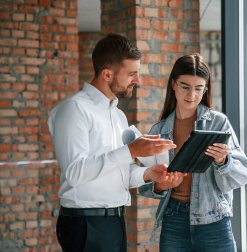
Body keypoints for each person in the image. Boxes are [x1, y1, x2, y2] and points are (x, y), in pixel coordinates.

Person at [48, 33, 181, 252]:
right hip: (86, 225)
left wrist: (150, 175)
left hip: (115, 222)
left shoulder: (118, 116)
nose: (137, 80)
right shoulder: (74, 110)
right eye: (132, 74)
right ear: (107, 74)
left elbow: (122, 174)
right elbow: (74, 173)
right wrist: (131, 150)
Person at [139, 53, 247, 252]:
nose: (191, 95)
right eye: (185, 87)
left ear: (206, 88)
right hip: (174, 220)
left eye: (198, 88)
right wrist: (161, 185)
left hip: (214, 219)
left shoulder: (218, 123)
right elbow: (143, 184)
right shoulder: (158, 131)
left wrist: (223, 161)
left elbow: (243, 174)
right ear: (173, 84)